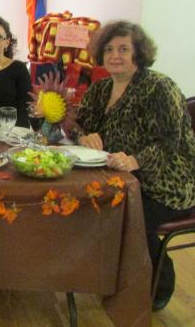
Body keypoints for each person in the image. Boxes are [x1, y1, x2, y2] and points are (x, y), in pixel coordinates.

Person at [75, 20, 195, 311]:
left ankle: (159, 284)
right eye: (110, 49)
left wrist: (135, 160)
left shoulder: (158, 87)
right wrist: (83, 135)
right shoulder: (101, 88)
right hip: (116, 175)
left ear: (138, 53)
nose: (115, 55)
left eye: (124, 49)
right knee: (88, 203)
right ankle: (111, 277)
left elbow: (169, 141)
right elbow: (78, 123)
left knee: (128, 212)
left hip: (165, 182)